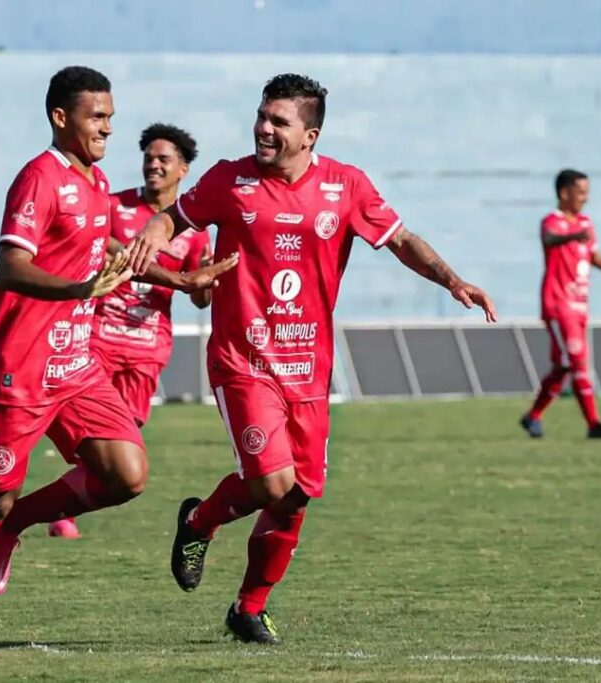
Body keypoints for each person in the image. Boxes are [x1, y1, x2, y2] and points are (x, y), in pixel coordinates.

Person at [127, 74, 496, 644]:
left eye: (279, 122)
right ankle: (199, 522)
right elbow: (176, 217)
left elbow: (400, 239)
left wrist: (452, 280)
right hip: (243, 360)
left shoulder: (345, 186)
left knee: (297, 494)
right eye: (261, 116)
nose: (264, 128)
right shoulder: (231, 179)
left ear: (310, 134)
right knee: (272, 483)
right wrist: (156, 225)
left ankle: (249, 608)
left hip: (309, 370)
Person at [0, 66, 236, 659]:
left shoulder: (95, 181)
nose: (107, 128)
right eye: (97, 117)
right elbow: (10, 266)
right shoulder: (39, 178)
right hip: (18, 370)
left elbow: (109, 250)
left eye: (111, 117)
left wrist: (179, 276)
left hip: (75, 366)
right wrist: (77, 290)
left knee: (127, 474)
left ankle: (16, 526)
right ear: (61, 117)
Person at [47, 122, 213, 539]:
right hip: (99, 336)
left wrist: (211, 277)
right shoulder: (113, 206)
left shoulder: (192, 231)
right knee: (93, 430)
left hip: (147, 347)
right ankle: (60, 513)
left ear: (183, 170)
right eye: (148, 158)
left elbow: (200, 298)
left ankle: (66, 504)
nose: (153, 166)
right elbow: (96, 242)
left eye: (163, 160)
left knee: (123, 435)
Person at [520, 170, 601, 439]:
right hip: (558, 304)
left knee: (564, 366)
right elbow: (549, 238)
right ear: (564, 193)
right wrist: (573, 236)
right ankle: (593, 423)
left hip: (579, 305)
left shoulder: (585, 223)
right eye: (581, 192)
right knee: (577, 361)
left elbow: (595, 258)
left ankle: (533, 416)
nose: (585, 198)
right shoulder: (552, 222)